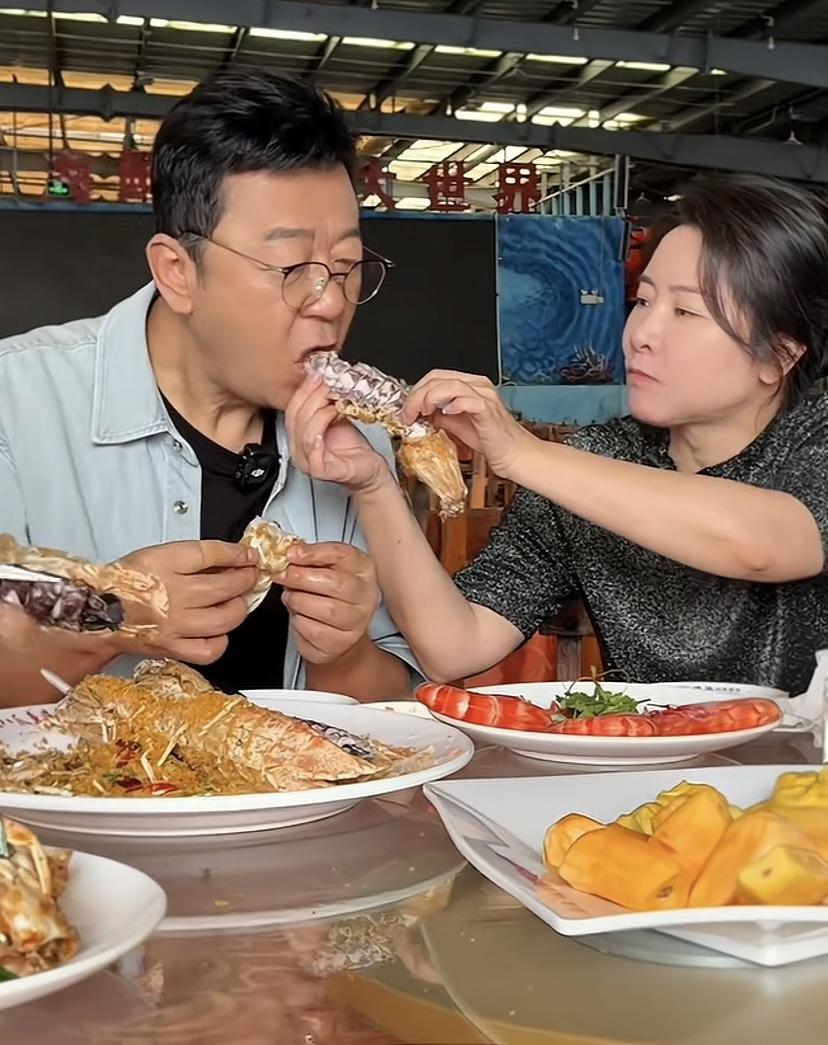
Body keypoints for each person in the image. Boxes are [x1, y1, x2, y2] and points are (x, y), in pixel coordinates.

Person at [287, 173, 828, 696]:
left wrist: (523, 453)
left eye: (686, 311)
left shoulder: (815, 436)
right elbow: (455, 646)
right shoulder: (598, 461)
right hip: (649, 757)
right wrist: (374, 485)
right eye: (643, 301)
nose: (641, 333)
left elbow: (770, 544)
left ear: (779, 355)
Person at [0, 68, 417, 703]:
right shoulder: (17, 402)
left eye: (346, 266)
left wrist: (344, 653)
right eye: (292, 267)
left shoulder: (357, 448)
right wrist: (108, 613)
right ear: (177, 271)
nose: (331, 301)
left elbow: (395, 708)